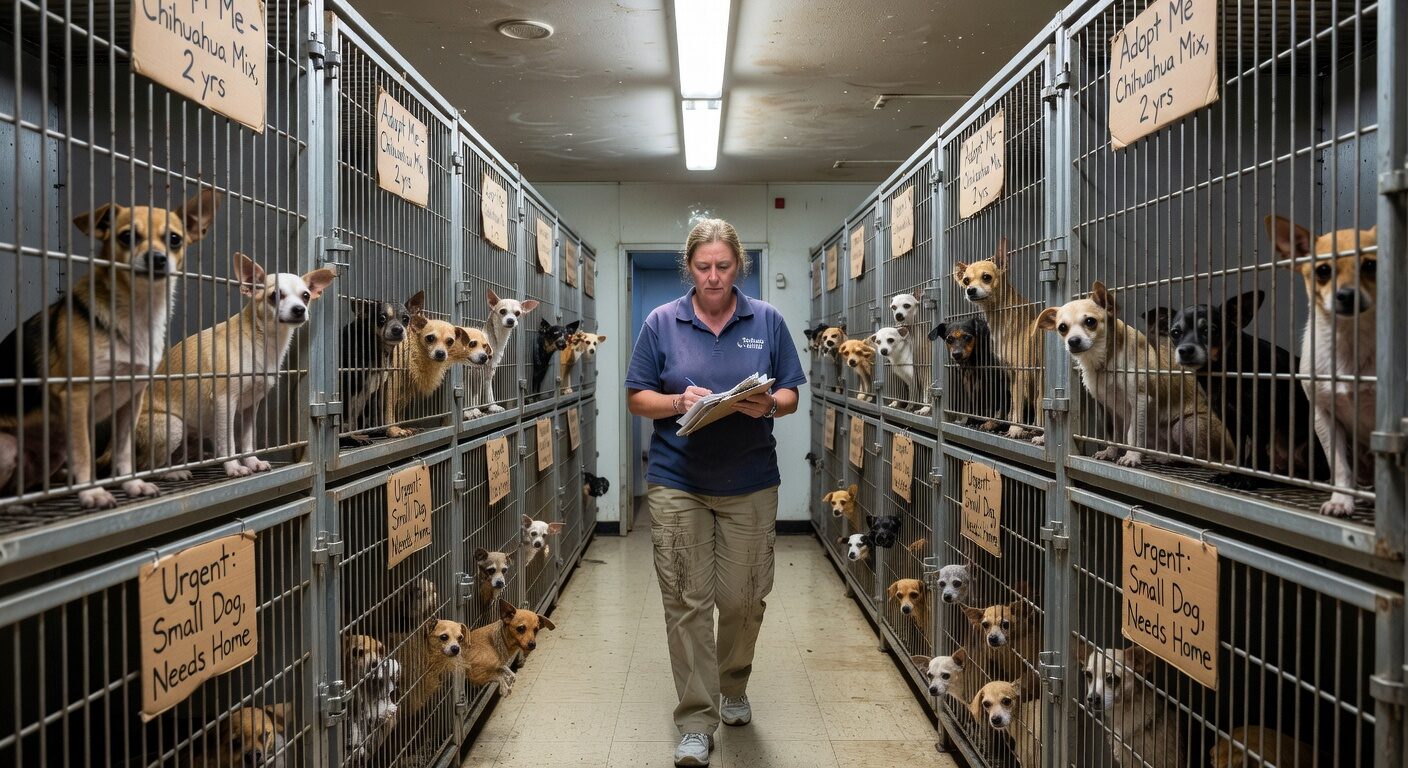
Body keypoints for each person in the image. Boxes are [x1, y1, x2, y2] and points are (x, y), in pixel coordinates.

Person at [625, 218, 807, 767]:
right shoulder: (662, 322)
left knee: (744, 596)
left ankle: (733, 685)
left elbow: (793, 392)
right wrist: (680, 402)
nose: (712, 276)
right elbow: (637, 397)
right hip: (678, 480)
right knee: (686, 600)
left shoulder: (767, 320)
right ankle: (696, 720)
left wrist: (768, 404)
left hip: (750, 480)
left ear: (738, 267)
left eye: (722, 266)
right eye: (702, 267)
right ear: (689, 267)